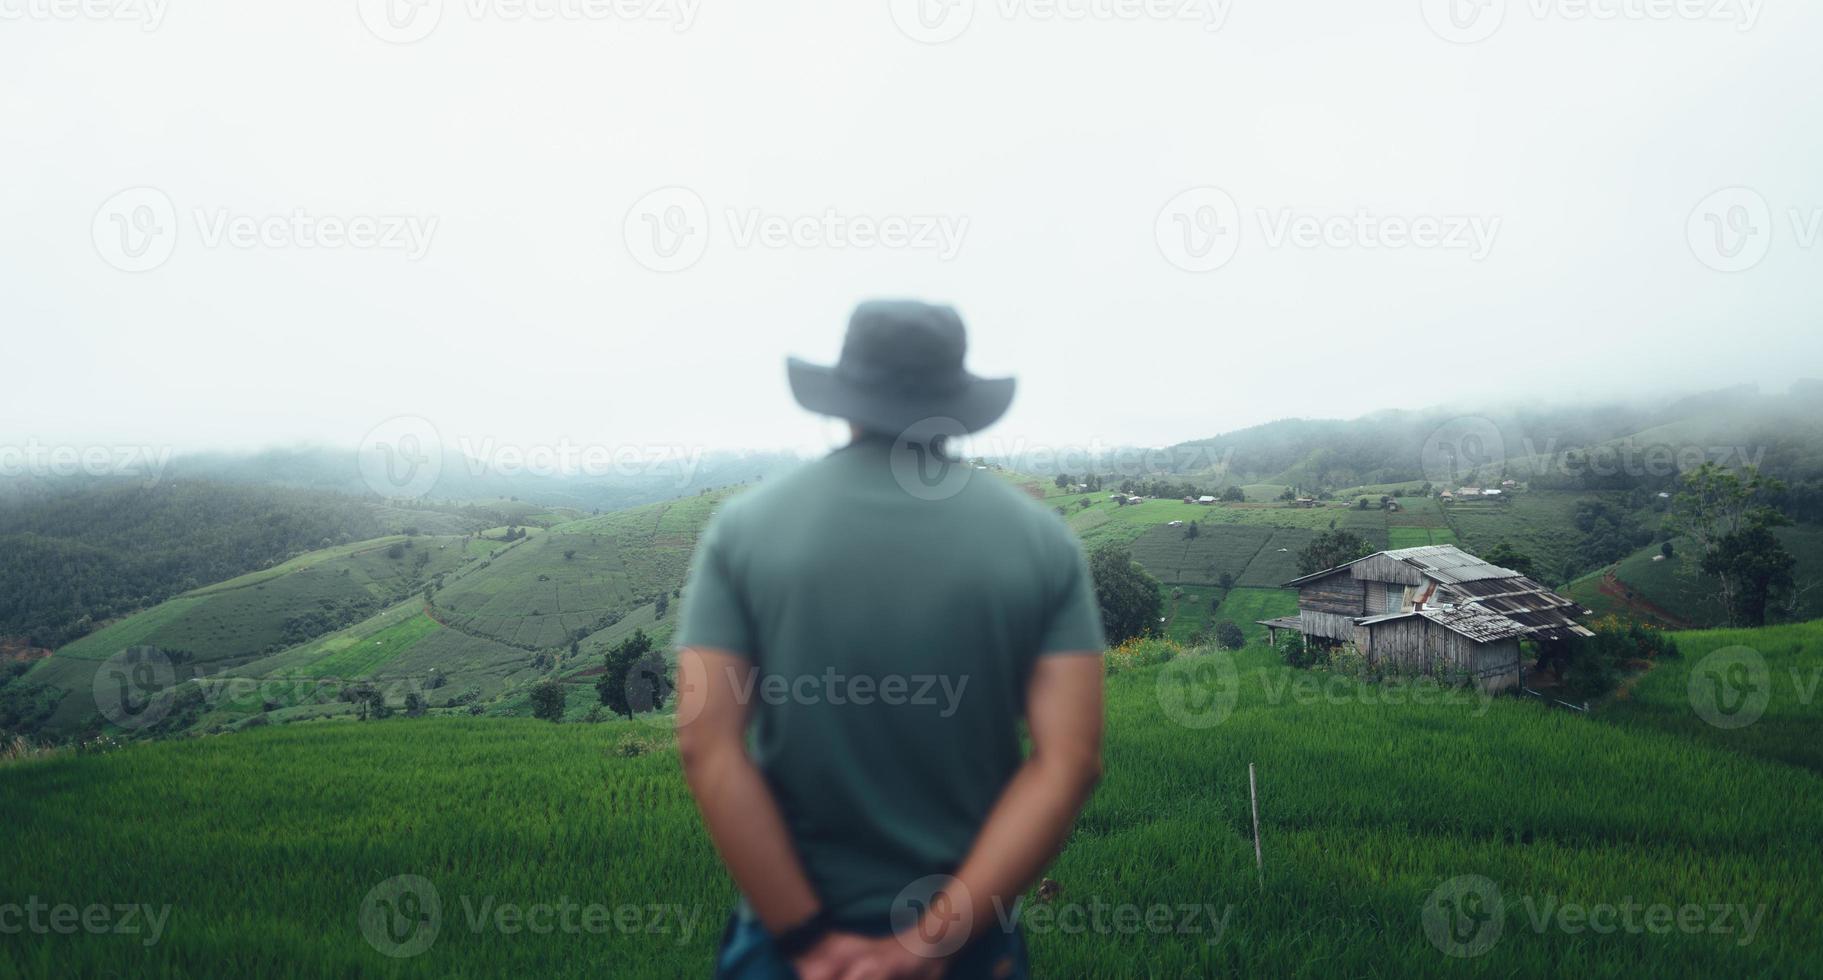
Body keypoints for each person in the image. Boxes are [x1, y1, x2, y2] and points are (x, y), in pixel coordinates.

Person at [674, 300, 1107, 979]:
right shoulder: (1042, 543)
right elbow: (1069, 762)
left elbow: (707, 746)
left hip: (787, 952)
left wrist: (810, 943)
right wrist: (924, 945)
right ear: (955, 403)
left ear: (844, 395)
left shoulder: (744, 529)